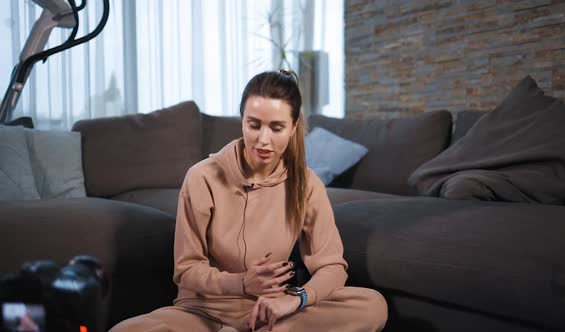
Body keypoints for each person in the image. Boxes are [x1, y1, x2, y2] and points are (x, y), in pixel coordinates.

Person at [109, 70, 387, 332]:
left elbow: (331, 267)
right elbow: (187, 271)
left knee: (371, 306)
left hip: (273, 315)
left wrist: (297, 298)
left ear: (293, 128)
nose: (263, 140)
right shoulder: (202, 177)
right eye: (254, 125)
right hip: (203, 313)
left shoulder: (307, 184)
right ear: (241, 120)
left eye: (277, 127)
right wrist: (241, 282)